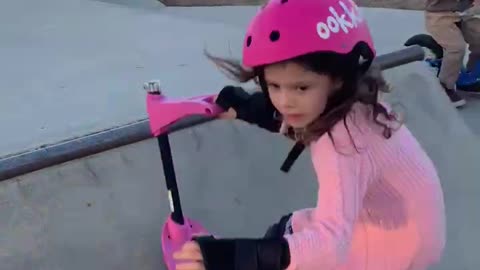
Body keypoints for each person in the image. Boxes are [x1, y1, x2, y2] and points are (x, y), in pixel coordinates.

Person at [173, 0, 447, 269]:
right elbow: (304, 119)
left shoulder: (343, 144)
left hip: (389, 250)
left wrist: (227, 256)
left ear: (338, 79)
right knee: (285, 230)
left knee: (288, 247)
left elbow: (331, 243)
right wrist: (247, 107)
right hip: (410, 234)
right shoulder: (355, 105)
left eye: (301, 88)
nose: (285, 101)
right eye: (274, 86)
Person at [425, 0, 480, 107]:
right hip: (440, 16)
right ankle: (444, 87)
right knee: (456, 47)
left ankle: (472, 78)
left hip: (463, 14)